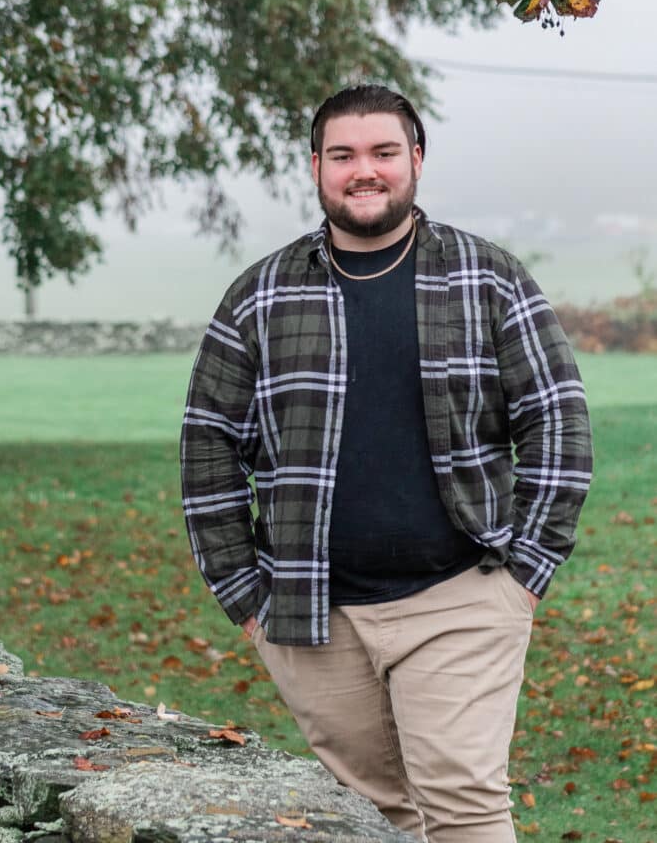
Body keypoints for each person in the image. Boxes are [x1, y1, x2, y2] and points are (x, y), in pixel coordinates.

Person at [180, 84, 592, 843]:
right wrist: (245, 596)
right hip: (310, 613)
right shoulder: (260, 295)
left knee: (463, 807)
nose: (362, 170)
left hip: (461, 595)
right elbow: (207, 443)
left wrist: (526, 572)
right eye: (342, 155)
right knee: (371, 818)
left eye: (381, 152)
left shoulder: (486, 277)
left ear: (415, 162)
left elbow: (556, 418)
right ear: (315, 168)